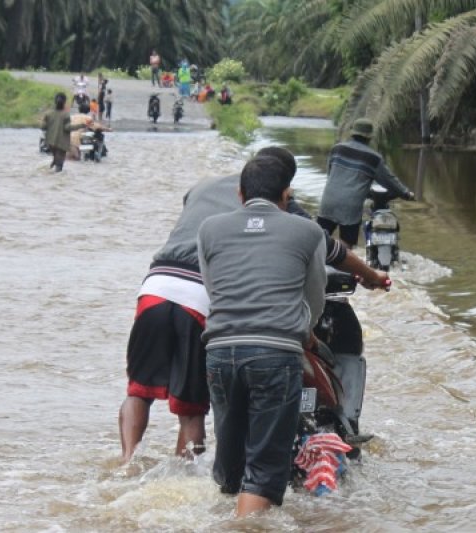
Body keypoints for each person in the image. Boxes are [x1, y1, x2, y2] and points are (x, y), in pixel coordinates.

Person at [118, 147, 388, 465]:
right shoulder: (279, 202)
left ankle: (125, 463)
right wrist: (371, 275)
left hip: (156, 283)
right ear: (285, 187)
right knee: (191, 411)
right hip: (205, 298)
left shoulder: (204, 186)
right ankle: (185, 477)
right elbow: (326, 247)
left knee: (138, 390)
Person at [197, 155, 327, 517]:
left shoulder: (209, 228)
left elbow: (214, 288)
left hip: (220, 352)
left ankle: (224, 513)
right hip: (275, 354)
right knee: (266, 469)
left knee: (231, 461)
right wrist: (305, 330)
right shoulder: (308, 231)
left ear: (240, 194)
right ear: (287, 194)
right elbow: (314, 299)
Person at [317, 117, 414, 248]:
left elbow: (331, 175)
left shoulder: (336, 149)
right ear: (369, 138)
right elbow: (389, 181)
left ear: (353, 134)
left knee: (318, 240)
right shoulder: (373, 158)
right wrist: (406, 194)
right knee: (347, 245)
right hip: (350, 207)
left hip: (328, 201)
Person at [41, 92, 90, 172]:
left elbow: (43, 127)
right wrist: (81, 125)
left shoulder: (48, 114)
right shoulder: (66, 115)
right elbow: (67, 128)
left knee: (56, 162)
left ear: (55, 101)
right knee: (59, 168)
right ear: (64, 102)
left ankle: (53, 164)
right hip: (62, 144)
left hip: (50, 143)